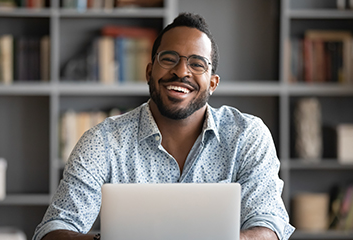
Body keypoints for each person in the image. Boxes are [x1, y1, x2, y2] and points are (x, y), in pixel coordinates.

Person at [33, 12, 295, 240]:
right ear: (149, 72)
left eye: (197, 63)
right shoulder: (103, 141)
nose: (182, 71)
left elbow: (268, 226)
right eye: (169, 58)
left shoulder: (247, 135)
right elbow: (54, 229)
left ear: (213, 83)